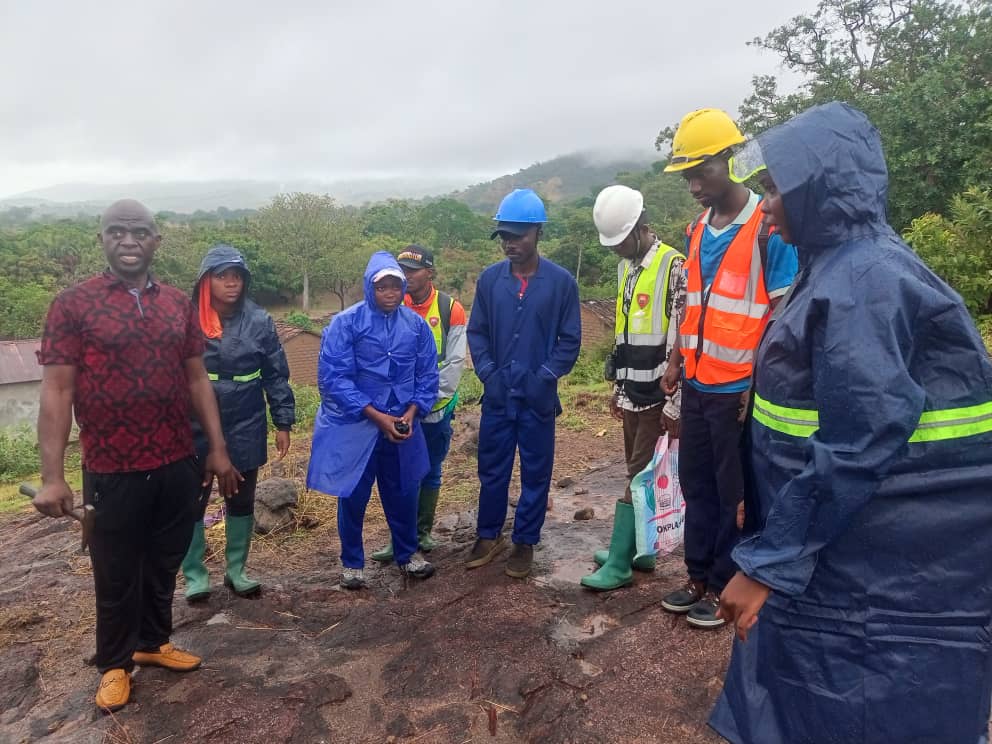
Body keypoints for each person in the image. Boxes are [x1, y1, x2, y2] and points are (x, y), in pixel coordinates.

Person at [710, 101, 992, 744]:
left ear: (823, 192)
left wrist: (767, 564)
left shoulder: (864, 283)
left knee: (857, 706)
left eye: (776, 190)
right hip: (846, 541)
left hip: (873, 563)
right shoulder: (837, 265)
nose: (767, 206)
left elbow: (860, 436)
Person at [33, 199, 240, 712]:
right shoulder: (72, 305)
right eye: (117, 232)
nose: (129, 240)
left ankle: (152, 642)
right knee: (116, 569)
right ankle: (114, 663)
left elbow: (197, 379)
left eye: (140, 232)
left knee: (165, 558)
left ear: (156, 241)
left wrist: (216, 448)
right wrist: (52, 476)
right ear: (102, 239)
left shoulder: (176, 303)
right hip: (111, 466)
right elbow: (57, 390)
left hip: (176, 460)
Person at [659, 108, 798, 628]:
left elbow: (782, 316)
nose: (695, 186)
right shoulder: (697, 230)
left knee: (733, 493)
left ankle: (723, 584)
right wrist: (676, 361)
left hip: (738, 389)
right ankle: (696, 574)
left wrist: (757, 385)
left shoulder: (767, 229)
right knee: (695, 483)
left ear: (731, 161)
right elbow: (691, 305)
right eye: (687, 177)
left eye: (702, 173)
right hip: (698, 382)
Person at [465, 189, 581, 579]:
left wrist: (544, 377)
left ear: (538, 233)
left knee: (536, 471)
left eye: (518, 236)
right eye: (504, 236)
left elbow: (570, 340)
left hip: (537, 398)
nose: (510, 243)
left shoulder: (561, 283)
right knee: (492, 469)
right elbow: (477, 332)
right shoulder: (490, 281)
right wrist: (488, 372)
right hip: (498, 396)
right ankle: (488, 534)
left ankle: (525, 541)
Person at [307, 251, 439, 589]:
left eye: (396, 286)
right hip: (358, 425)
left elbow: (427, 374)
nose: (390, 293)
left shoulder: (416, 326)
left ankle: (407, 554)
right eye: (382, 287)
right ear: (370, 288)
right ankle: (352, 563)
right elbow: (335, 378)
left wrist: (412, 412)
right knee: (353, 494)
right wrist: (376, 416)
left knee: (404, 491)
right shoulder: (346, 324)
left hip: (402, 425)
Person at [580, 185, 684, 591]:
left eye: (621, 241)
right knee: (634, 470)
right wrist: (618, 389)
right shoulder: (627, 267)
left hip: (659, 394)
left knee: (639, 476)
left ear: (641, 226)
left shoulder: (674, 266)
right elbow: (625, 332)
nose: (616, 250)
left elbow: (682, 336)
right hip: (632, 391)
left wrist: (676, 402)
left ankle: (620, 562)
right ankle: (642, 548)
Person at [181, 244, 296, 601]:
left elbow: (276, 374)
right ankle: (195, 575)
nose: (231, 283)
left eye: (237, 277)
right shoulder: (186, 318)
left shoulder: (259, 320)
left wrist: (283, 421)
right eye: (222, 276)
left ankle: (236, 570)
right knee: (192, 498)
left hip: (246, 416)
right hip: (194, 419)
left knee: (241, 496)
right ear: (206, 281)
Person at [371, 245, 466, 561]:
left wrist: (424, 400)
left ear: (430, 272)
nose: (407, 277)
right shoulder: (394, 304)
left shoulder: (450, 309)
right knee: (399, 472)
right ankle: (400, 537)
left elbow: (454, 362)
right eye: (403, 271)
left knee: (430, 469)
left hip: (435, 408)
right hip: (398, 410)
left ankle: (422, 531)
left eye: (413, 271)